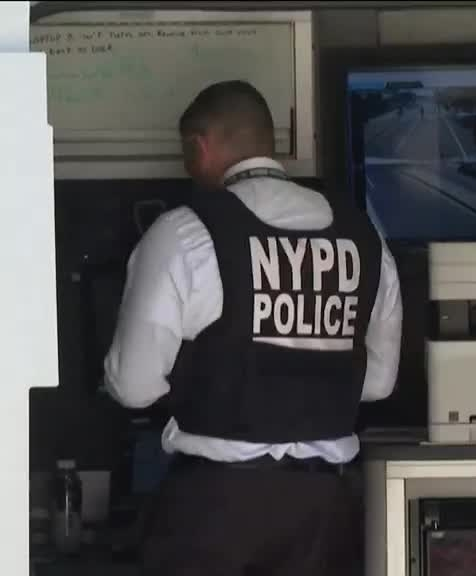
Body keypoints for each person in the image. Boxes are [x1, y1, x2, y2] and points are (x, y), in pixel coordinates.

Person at [103, 80, 403, 575]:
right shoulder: (364, 237)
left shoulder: (186, 233)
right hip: (323, 515)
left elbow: (134, 386)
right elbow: (376, 383)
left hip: (214, 512)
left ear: (199, 146)